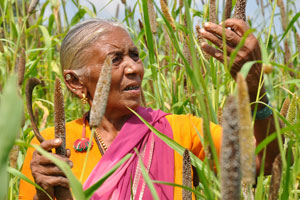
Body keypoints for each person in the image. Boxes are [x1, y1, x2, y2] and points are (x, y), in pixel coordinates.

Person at [19, 18, 279, 199]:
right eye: (115, 60)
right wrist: (42, 192)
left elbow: (265, 163)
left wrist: (256, 84)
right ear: (76, 83)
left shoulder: (179, 131)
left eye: (134, 55)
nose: (134, 68)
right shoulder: (54, 146)